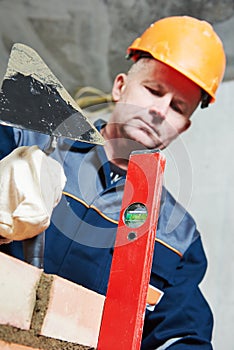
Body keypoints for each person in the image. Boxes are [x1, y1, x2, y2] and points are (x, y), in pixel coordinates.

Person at [0, 16, 226, 349]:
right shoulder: (26, 142)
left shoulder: (180, 238)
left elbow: (182, 335)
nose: (159, 112)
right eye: (153, 90)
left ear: (183, 127)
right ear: (120, 87)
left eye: (177, 107)